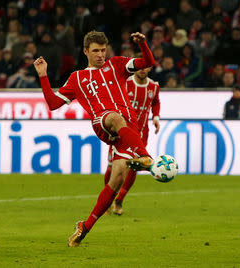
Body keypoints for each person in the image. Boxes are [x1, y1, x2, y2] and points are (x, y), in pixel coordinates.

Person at [33, 30, 156, 247]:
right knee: (116, 118)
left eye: (103, 50)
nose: (100, 55)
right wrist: (43, 75)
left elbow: (148, 61)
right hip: (104, 122)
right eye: (96, 51)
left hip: (129, 128)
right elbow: (53, 103)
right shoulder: (77, 78)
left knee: (117, 179)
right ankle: (145, 156)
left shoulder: (117, 64)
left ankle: (85, 227)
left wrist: (143, 44)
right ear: (86, 52)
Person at [104, 67, 161, 215]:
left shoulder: (153, 86)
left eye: (145, 67)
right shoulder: (125, 83)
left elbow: (155, 102)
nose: (142, 70)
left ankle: (119, 200)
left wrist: (156, 117)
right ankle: (107, 202)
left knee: (135, 166)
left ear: (149, 68)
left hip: (141, 134)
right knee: (112, 166)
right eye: (139, 68)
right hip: (120, 133)